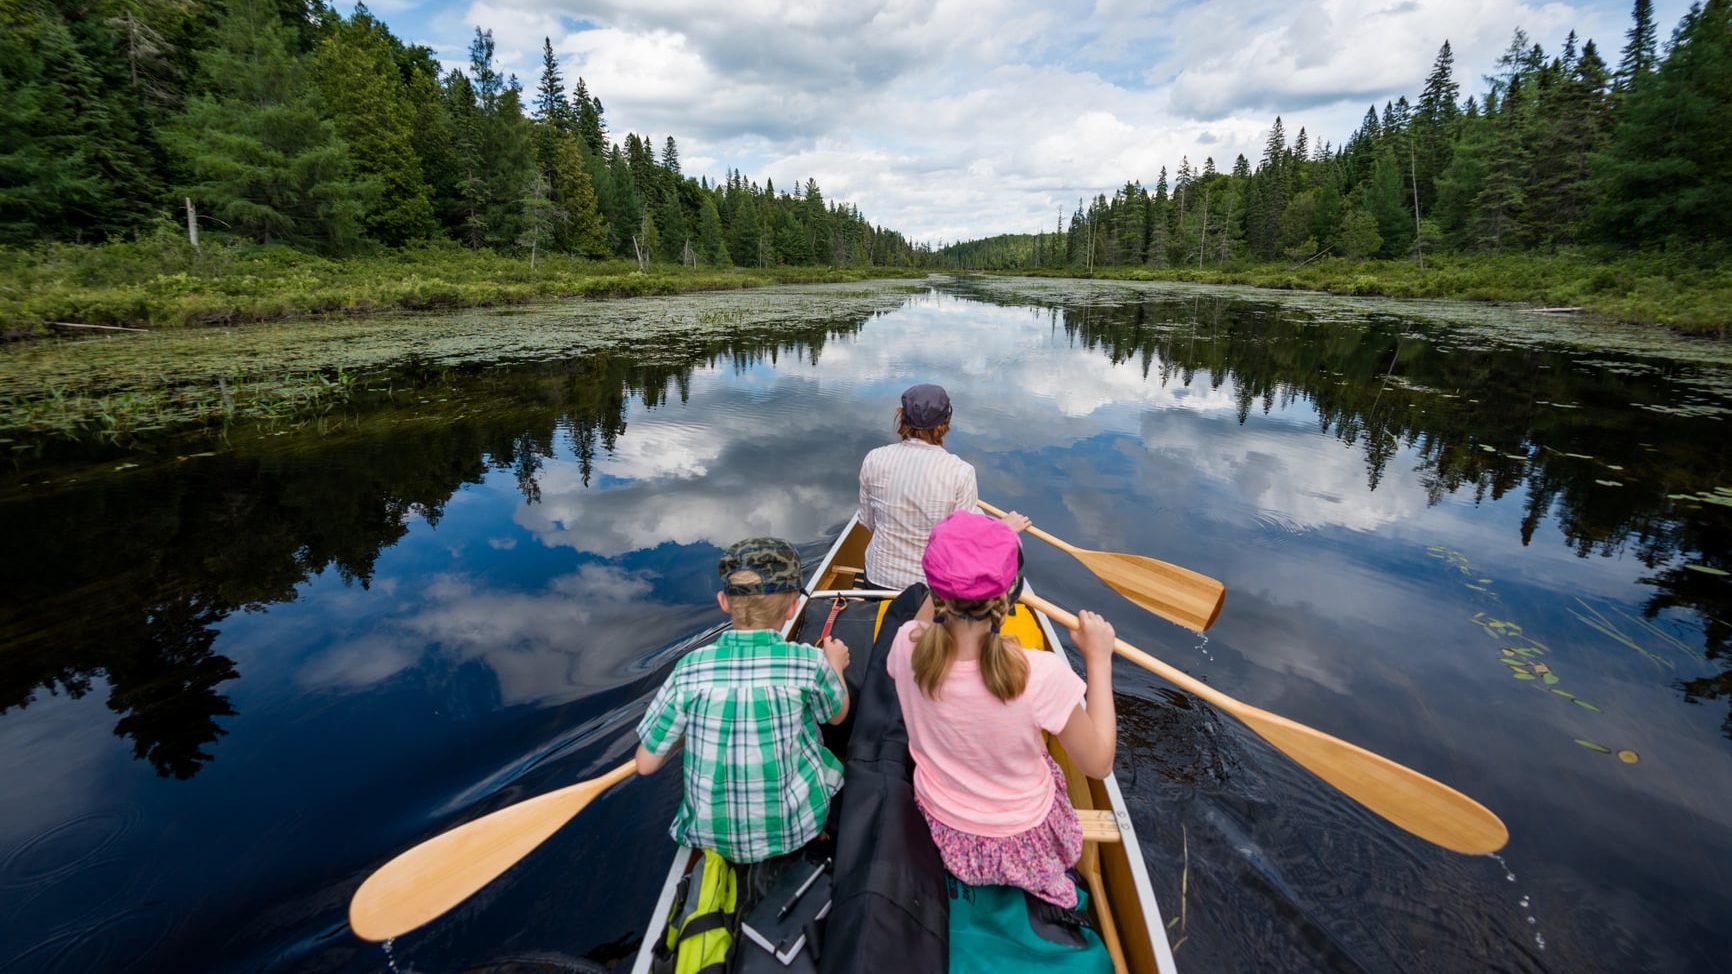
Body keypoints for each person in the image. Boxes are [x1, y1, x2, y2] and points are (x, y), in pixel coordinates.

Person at [885, 512, 1117, 907]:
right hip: (1022, 839)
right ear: (1009, 600)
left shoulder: (906, 645)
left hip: (943, 829)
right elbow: (1098, 765)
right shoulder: (1038, 674)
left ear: (934, 591)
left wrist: (978, 552)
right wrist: (1099, 659)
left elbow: (926, 617)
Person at [635, 537, 852, 864]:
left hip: (710, 837)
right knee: (828, 755)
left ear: (723, 601)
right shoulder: (808, 662)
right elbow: (837, 716)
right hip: (795, 829)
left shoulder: (690, 669)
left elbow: (646, 764)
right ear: (794, 606)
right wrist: (835, 664)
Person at [857, 383, 1029, 591]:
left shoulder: (874, 459)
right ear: (945, 422)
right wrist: (1003, 530)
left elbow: (868, 522)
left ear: (902, 416)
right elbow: (962, 546)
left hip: (878, 578)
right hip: (932, 589)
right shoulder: (962, 472)